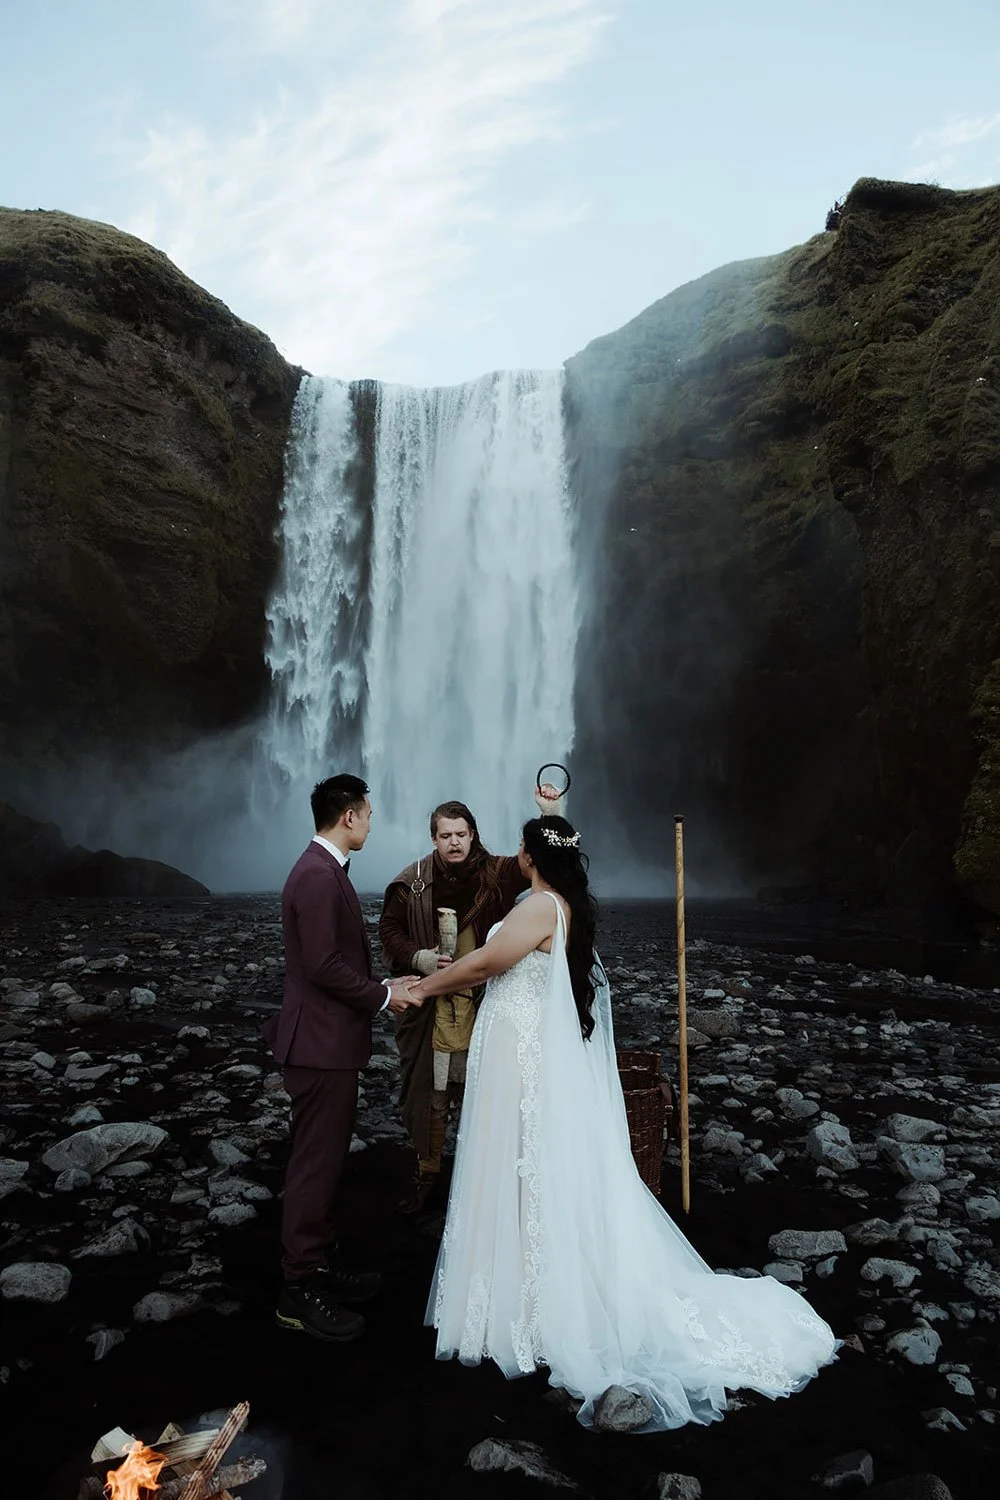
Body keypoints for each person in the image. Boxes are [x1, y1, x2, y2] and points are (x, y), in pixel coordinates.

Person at [405, 813, 838, 1430]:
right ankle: (520, 1287)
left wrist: (422, 988)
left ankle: (526, 1302)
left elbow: (482, 966)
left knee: (524, 1162)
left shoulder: (537, 909)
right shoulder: (559, 905)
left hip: (523, 1060)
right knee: (529, 1165)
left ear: (530, 856)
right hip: (524, 1053)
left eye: (521, 848)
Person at [261, 774, 420, 1342]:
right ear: (348, 816)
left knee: (324, 1164)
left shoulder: (322, 870)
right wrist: (383, 995)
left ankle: (318, 1267)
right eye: (369, 813)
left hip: (326, 1044)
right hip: (319, 1047)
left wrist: (385, 982)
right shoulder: (315, 875)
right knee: (313, 1168)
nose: (373, 822)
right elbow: (323, 966)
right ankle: (297, 1290)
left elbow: (329, 962)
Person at [379, 784, 561, 1213]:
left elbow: (544, 860)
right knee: (432, 1092)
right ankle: (428, 1173)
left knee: (486, 1090)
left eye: (461, 834)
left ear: (474, 835)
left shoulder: (496, 873)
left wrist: (549, 814)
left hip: (484, 1004)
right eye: (446, 836)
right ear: (434, 839)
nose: (454, 842)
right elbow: (389, 930)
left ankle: (483, 1180)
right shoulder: (413, 884)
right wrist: (417, 957)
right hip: (433, 1010)